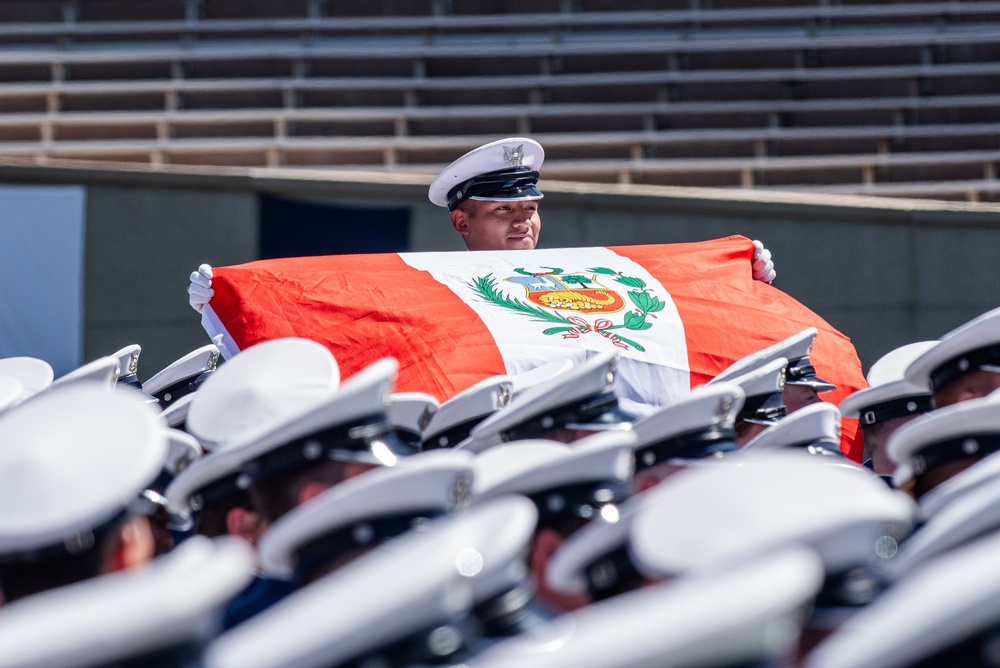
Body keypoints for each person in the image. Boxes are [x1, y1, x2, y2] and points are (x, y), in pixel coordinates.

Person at [187, 137, 776, 313]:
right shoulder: (427, 287)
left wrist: (731, 283)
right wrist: (234, 301)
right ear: (461, 221)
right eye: (503, 212)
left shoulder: (582, 274)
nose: (523, 223)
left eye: (529, 210)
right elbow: (340, 307)